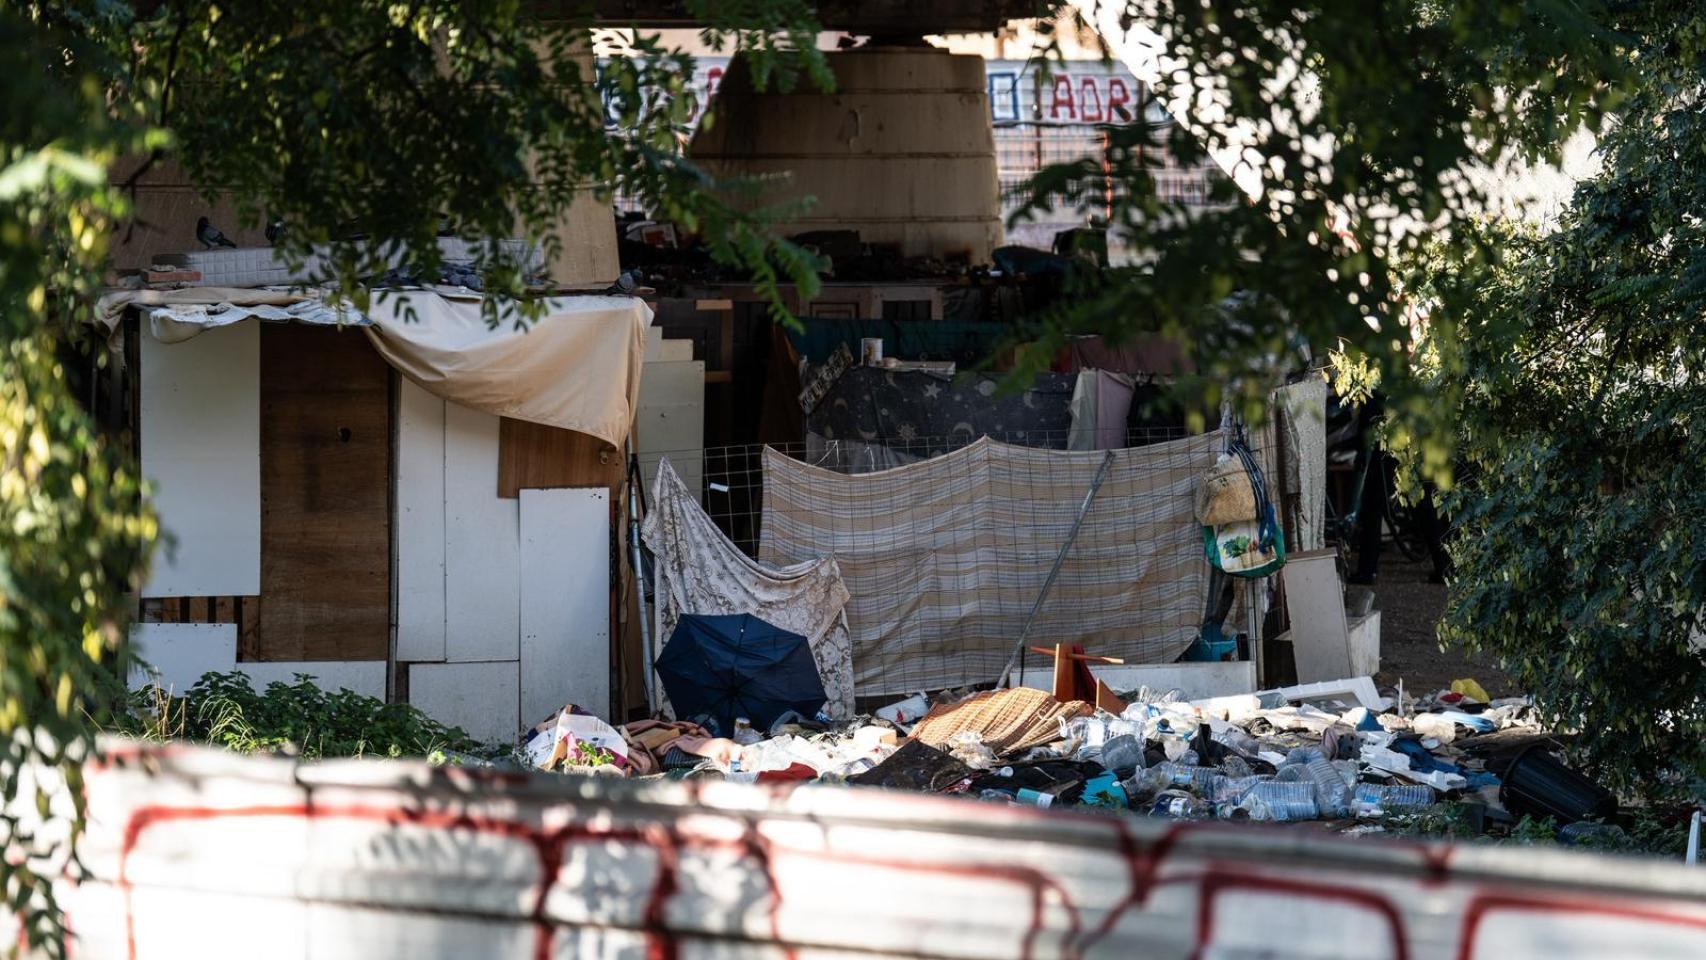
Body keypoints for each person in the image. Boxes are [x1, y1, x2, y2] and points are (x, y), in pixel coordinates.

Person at [1346, 394, 1450, 585]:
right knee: (1423, 503)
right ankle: (1444, 567)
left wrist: (1362, 448)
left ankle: (1367, 570)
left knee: (1373, 507)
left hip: (1387, 441)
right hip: (1413, 436)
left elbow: (1370, 408)